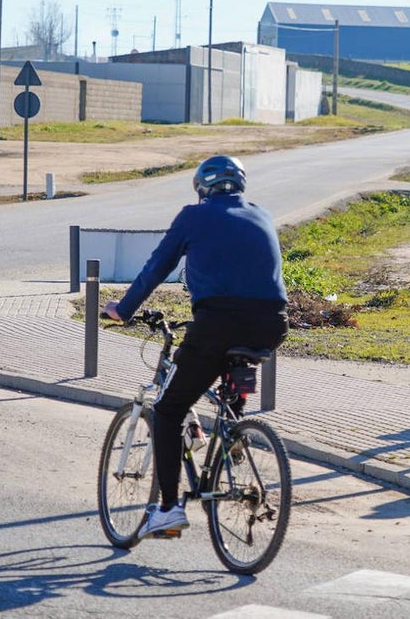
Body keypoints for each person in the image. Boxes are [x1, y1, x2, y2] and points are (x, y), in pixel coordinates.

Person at [104, 155, 288, 538]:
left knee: (169, 410)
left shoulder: (192, 216)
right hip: (272, 323)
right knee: (227, 369)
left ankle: (169, 510)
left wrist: (123, 309)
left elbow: (156, 267)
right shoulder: (263, 215)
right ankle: (233, 436)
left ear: (202, 188)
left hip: (218, 322)